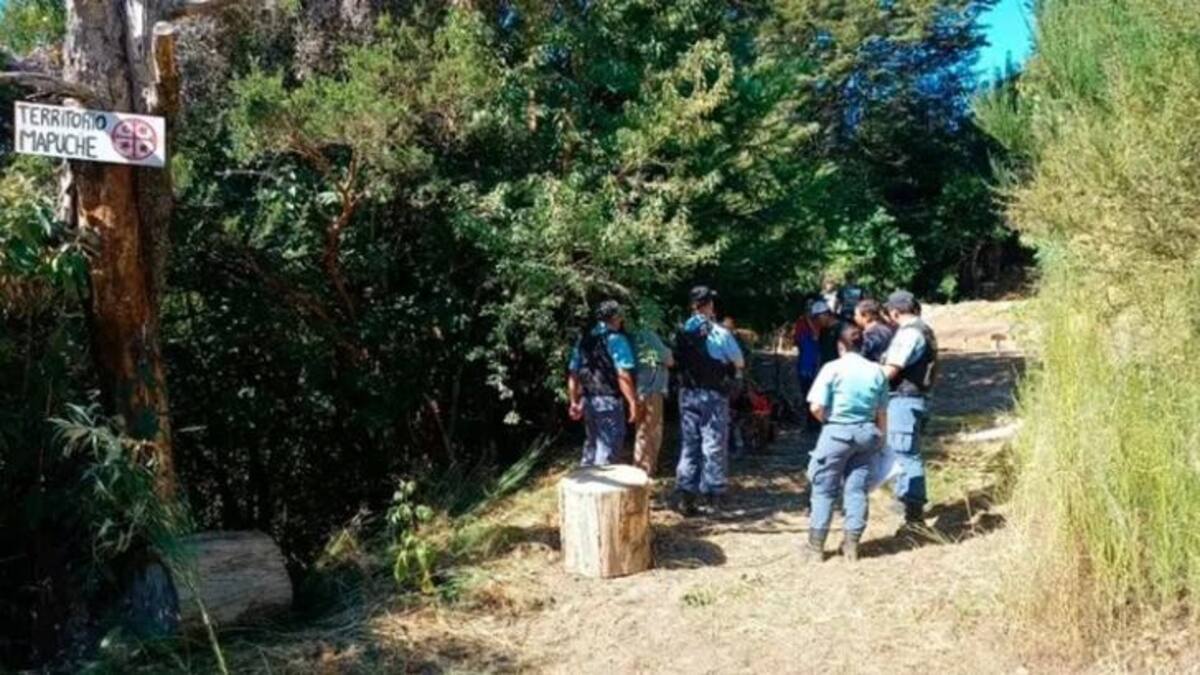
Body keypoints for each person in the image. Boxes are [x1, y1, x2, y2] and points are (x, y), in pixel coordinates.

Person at [802, 325, 889, 563]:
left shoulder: (832, 368)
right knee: (857, 490)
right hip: (867, 434)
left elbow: (816, 407)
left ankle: (816, 547)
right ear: (862, 346)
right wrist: (882, 437)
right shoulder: (876, 371)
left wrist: (829, 421)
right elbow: (882, 411)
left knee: (823, 489)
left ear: (840, 345)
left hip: (837, 433)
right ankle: (851, 546)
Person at [671, 286, 745, 516]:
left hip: (687, 394)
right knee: (713, 444)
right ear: (709, 305)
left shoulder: (681, 333)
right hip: (713, 395)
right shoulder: (720, 333)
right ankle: (713, 497)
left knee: (689, 444)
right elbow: (739, 362)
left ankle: (686, 495)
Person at [880, 290, 939, 527]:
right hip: (917, 398)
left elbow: (891, 369)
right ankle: (906, 501)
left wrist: (864, 386)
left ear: (894, 312)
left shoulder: (909, 334)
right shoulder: (926, 331)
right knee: (906, 451)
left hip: (905, 400)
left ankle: (914, 517)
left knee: (905, 454)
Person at [567, 300, 640, 466]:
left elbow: (573, 373)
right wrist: (632, 402)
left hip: (588, 401)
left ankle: (584, 486)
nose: (622, 319)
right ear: (614, 317)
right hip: (608, 400)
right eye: (620, 315)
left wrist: (573, 402)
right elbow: (623, 375)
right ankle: (601, 487)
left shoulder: (583, 341)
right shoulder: (616, 340)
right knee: (608, 449)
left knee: (591, 445)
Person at [633, 327, 674, 477]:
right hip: (653, 390)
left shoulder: (633, 335)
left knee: (641, 430)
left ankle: (639, 467)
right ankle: (647, 471)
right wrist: (668, 350)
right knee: (652, 430)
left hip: (639, 389)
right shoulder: (649, 334)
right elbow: (669, 360)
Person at [793, 302, 827, 431]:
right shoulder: (802, 323)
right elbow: (797, 340)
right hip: (805, 364)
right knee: (806, 393)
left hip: (815, 363)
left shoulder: (821, 324)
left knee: (818, 393)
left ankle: (817, 422)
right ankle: (810, 422)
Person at [854, 298, 895, 363]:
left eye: (856, 315)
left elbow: (861, 356)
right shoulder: (888, 330)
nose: (854, 318)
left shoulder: (870, 335)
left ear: (866, 316)